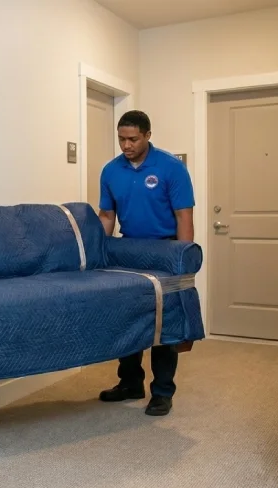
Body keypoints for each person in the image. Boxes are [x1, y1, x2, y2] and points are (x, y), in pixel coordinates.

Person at [96, 110, 195, 417]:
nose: (126, 145)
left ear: (148, 135)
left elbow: (183, 216)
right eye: (121, 139)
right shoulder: (110, 171)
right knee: (129, 318)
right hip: (128, 250)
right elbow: (107, 216)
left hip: (165, 251)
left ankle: (162, 392)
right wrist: (98, 254)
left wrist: (184, 261)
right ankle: (130, 383)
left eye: (133, 139)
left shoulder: (171, 167)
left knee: (163, 324)